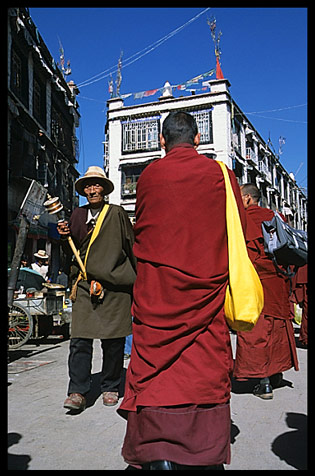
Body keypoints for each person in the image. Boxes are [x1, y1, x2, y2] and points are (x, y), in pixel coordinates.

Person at [118, 111, 246, 470]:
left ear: (161, 141)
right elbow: (236, 231)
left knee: (157, 371)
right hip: (207, 289)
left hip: (158, 292)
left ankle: (158, 453)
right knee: (203, 366)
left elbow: (143, 228)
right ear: (198, 139)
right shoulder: (220, 175)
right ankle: (203, 453)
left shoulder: (149, 176)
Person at [57, 166, 136, 411]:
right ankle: (78, 390)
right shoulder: (77, 216)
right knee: (80, 339)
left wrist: (138, 281)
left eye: (96, 185)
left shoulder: (117, 213)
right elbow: (70, 253)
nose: (92, 190)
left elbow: (130, 246)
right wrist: (64, 237)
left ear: (104, 189)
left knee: (113, 341)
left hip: (114, 286)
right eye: (88, 186)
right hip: (84, 284)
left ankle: (110, 384)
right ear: (84, 191)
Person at [233, 183, 299, 399]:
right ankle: (276, 374)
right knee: (278, 327)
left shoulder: (246, 219)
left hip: (256, 282)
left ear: (248, 199)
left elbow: (244, 254)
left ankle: (263, 382)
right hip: (278, 280)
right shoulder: (276, 216)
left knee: (257, 331)